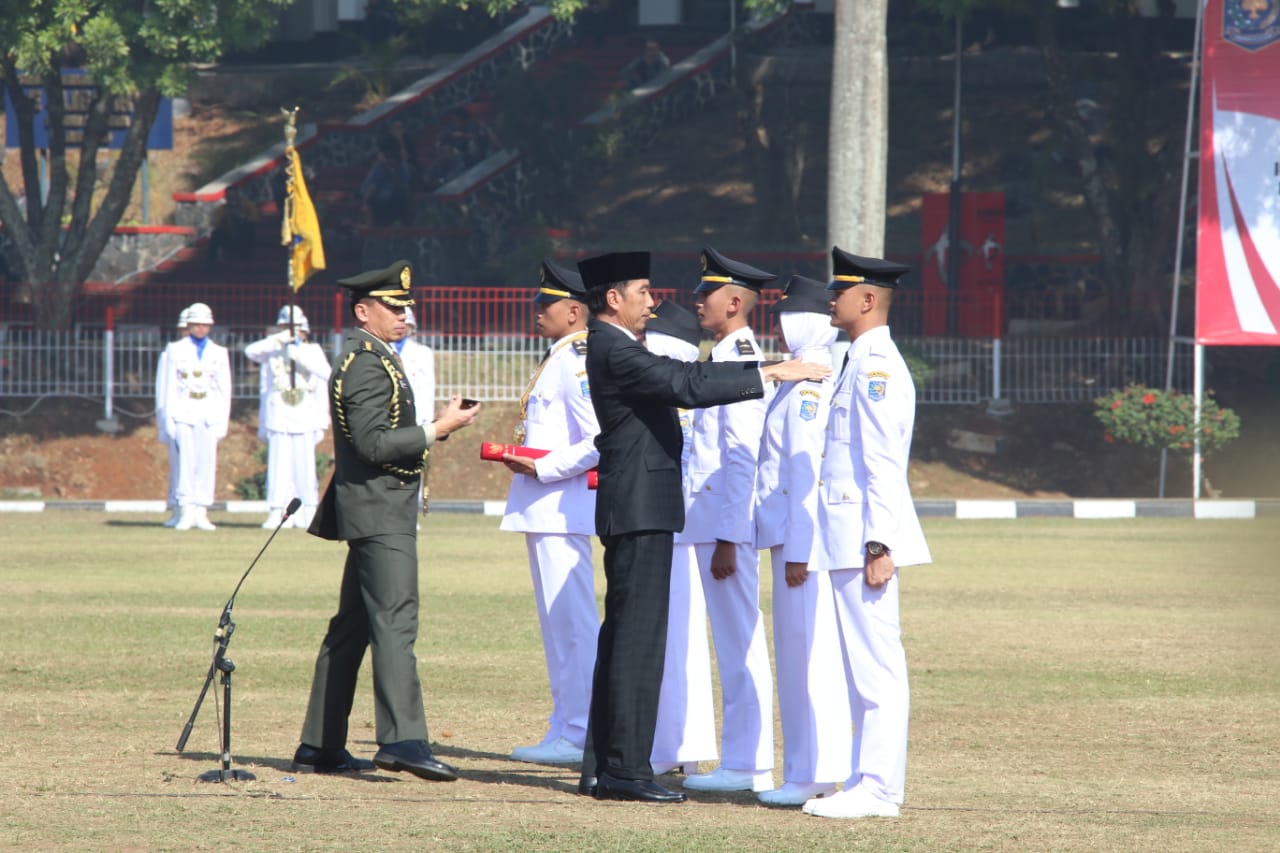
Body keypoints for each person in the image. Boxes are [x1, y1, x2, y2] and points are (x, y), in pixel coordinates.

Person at [576, 250, 830, 804]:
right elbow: (682, 382)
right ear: (614, 298)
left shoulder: (616, 344)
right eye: (643, 291)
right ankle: (625, 770)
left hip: (643, 506)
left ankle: (607, 765)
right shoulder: (612, 345)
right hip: (639, 508)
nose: (655, 301)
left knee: (626, 637)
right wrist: (767, 372)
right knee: (637, 640)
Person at [293, 260, 482, 778]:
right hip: (380, 508)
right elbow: (374, 442)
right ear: (363, 310)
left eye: (407, 307)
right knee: (395, 622)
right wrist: (437, 427)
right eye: (394, 308)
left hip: (379, 505)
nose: (406, 316)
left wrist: (436, 427)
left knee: (351, 628)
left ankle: (321, 743)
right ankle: (402, 739)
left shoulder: (374, 357)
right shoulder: (367, 363)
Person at [801, 248, 933, 820]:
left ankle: (880, 789)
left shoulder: (877, 364)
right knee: (861, 665)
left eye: (841, 291)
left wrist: (882, 543)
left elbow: (881, 462)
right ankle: (865, 777)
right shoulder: (858, 357)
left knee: (877, 665)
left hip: (863, 537)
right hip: (848, 532)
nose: (831, 299)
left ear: (869, 299)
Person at [677, 247, 777, 795]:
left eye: (706, 293)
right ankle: (744, 759)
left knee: (739, 644)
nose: (697, 301)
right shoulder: (721, 356)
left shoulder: (738, 356)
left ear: (734, 302)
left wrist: (728, 536)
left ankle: (749, 763)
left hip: (723, 526)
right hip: (710, 520)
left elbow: (742, 455)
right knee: (731, 643)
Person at [753, 275, 852, 807]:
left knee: (806, 660)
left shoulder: (811, 386)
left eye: (784, 314)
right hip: (790, 542)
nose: (777, 322)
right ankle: (807, 768)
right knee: (797, 659)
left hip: (801, 547)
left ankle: (813, 772)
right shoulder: (797, 378)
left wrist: (797, 550)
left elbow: (805, 471)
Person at [501, 260, 601, 766]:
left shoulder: (576, 357)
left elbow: (600, 438)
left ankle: (580, 730)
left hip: (563, 506)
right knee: (558, 625)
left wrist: (545, 469)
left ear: (574, 310)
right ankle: (566, 725)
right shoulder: (560, 354)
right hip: (549, 510)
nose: (537, 311)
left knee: (573, 624)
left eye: (547, 304)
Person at [643, 300, 717, 778]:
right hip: (677, 523)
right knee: (672, 640)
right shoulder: (679, 389)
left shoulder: (677, 394)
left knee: (681, 641)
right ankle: (673, 743)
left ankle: (683, 744)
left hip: (685, 527)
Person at [243, 306, 332, 530]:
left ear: (305, 330)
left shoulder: (312, 350)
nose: (293, 332)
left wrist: (304, 359)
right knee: (278, 467)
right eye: (287, 328)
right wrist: (279, 339)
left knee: (305, 468)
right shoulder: (273, 350)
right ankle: (276, 510)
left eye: (295, 329)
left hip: (304, 414)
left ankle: (308, 510)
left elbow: (327, 376)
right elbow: (250, 352)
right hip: (280, 415)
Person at [158, 302, 231, 532]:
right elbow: (168, 387)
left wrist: (222, 421)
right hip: (184, 411)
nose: (200, 328)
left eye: (204, 324)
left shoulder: (219, 352)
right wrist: (168, 418)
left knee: (206, 462)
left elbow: (224, 390)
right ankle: (185, 507)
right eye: (196, 324)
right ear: (188, 325)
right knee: (186, 462)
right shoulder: (175, 349)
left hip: (208, 412)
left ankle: (202, 509)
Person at [156, 306, 190, 528]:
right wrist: (164, 422)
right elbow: (163, 391)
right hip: (176, 417)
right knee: (179, 466)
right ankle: (178, 507)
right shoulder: (171, 353)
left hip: (195, 418)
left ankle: (192, 508)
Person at [359, 136, 412, 227]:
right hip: (375, 197)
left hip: (390, 199)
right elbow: (372, 187)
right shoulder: (380, 166)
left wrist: (390, 170)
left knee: (400, 196)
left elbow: (404, 188)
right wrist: (365, 203)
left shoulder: (402, 167)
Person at [395, 306, 436, 425]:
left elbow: (427, 388)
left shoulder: (422, 352)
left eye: (405, 324)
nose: (402, 327)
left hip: (415, 417)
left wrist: (427, 419)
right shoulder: (380, 349)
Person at [206, 185, 259, 268]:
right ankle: (210, 263)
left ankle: (246, 254)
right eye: (229, 196)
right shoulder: (222, 209)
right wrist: (225, 217)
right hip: (229, 236)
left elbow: (255, 219)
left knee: (248, 227)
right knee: (216, 234)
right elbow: (217, 224)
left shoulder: (248, 205)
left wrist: (241, 216)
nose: (232, 199)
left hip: (244, 234)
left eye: (234, 196)